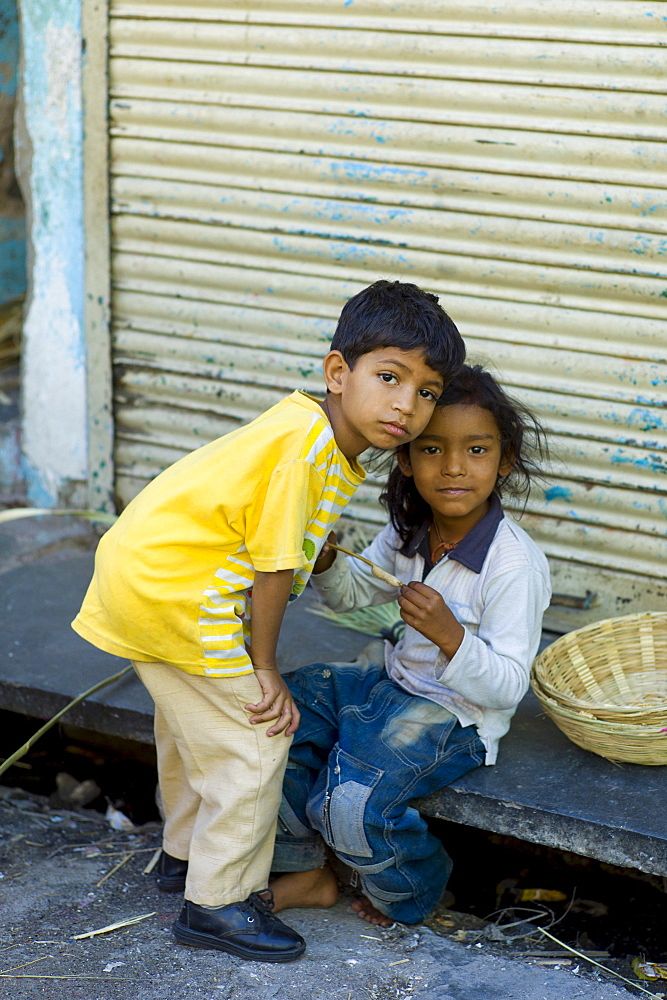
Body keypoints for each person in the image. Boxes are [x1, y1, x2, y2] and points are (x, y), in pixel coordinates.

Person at [71, 279, 465, 962]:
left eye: (426, 391)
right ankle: (218, 904)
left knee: (192, 730)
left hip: (146, 578)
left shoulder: (308, 428)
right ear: (338, 373)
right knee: (254, 740)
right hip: (182, 596)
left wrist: (320, 548)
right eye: (389, 377)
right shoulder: (305, 449)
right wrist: (264, 668)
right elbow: (273, 568)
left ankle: (185, 857)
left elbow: (280, 538)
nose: (406, 404)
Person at [269, 364, 551, 927]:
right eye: (431, 450)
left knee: (350, 806)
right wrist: (326, 562)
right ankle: (306, 871)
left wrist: (450, 636)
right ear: (405, 459)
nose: (453, 467)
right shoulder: (409, 531)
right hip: (388, 682)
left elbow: (507, 689)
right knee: (275, 725)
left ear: (504, 462)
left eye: (476, 450)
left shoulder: (514, 564)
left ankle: (415, 893)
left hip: (454, 715)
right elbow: (352, 593)